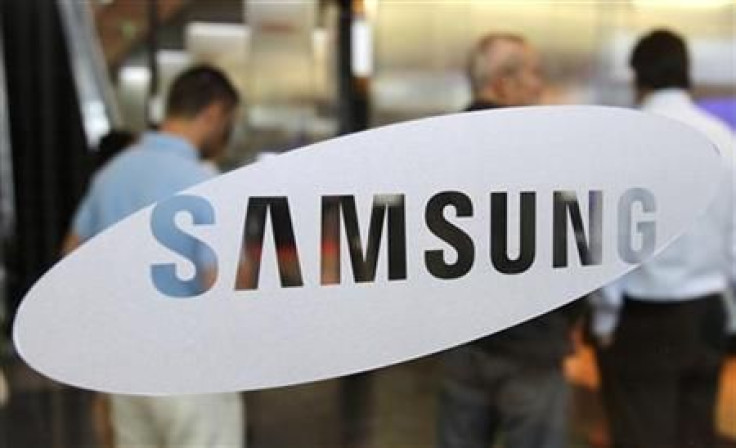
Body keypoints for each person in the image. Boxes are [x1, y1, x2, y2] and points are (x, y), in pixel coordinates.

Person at [65, 65, 245, 448]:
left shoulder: (112, 175)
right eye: (228, 122)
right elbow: (224, 283)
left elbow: (71, 258)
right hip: (190, 369)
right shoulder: (204, 183)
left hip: (127, 367)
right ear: (214, 113)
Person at [590, 29, 735, 448]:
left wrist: (604, 318)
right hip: (708, 314)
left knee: (642, 436)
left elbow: (609, 241)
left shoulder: (628, 142)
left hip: (644, 320)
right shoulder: (725, 140)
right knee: (696, 436)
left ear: (638, 77)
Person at [436, 33, 581, 448]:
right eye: (533, 74)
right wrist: (570, 320)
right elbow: (570, 244)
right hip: (531, 347)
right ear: (502, 83)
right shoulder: (542, 150)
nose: (540, 86)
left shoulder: (435, 149)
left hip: (457, 342)